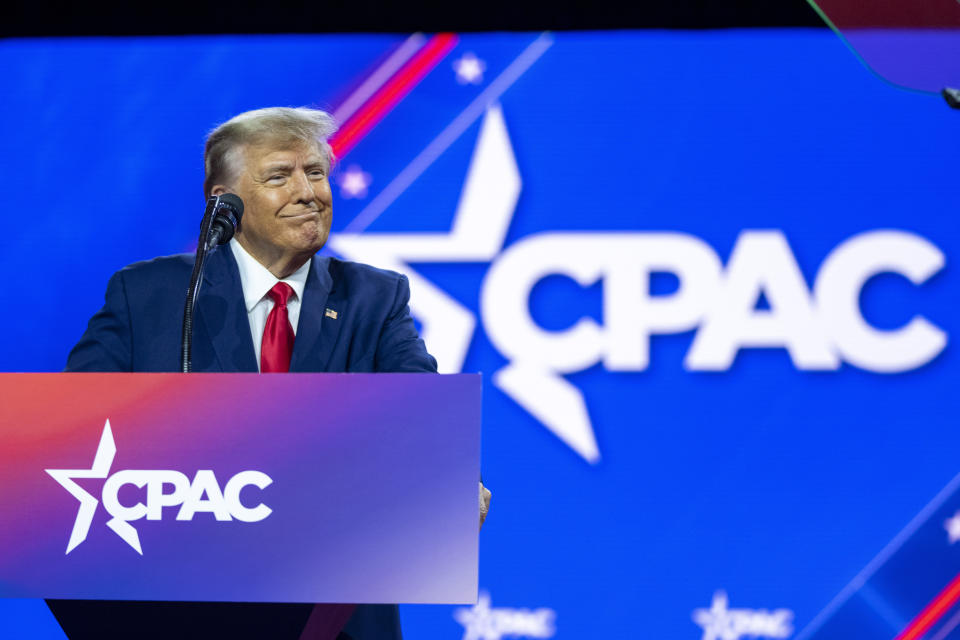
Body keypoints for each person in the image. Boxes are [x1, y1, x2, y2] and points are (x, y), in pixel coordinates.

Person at [49, 106, 491, 640]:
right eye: (280, 176)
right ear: (223, 201)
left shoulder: (374, 297)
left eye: (317, 173)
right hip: (184, 610)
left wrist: (448, 477)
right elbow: (72, 429)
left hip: (332, 617)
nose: (308, 192)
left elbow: (420, 412)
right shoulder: (151, 295)